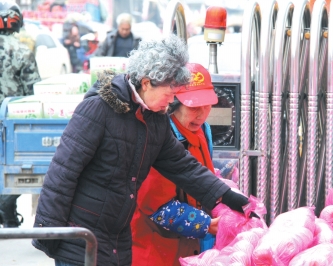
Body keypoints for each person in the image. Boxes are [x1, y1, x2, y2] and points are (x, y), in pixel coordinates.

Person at [32, 34, 249, 266]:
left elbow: (182, 166)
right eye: (168, 94)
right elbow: (63, 171)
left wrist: (229, 198)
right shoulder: (98, 109)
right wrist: (50, 233)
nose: (170, 102)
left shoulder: (156, 120)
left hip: (116, 238)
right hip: (80, 238)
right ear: (146, 83)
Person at [131, 63, 220, 265]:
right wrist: (207, 224)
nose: (202, 114)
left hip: (189, 249)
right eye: (194, 107)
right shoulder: (157, 137)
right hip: (154, 250)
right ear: (174, 103)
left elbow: (204, 175)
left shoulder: (204, 130)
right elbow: (156, 207)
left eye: (207, 106)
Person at [0, 0, 41, 228]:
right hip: (11, 122)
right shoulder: (23, 52)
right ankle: (6, 204)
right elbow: (33, 92)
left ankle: (7, 210)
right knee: (18, 170)